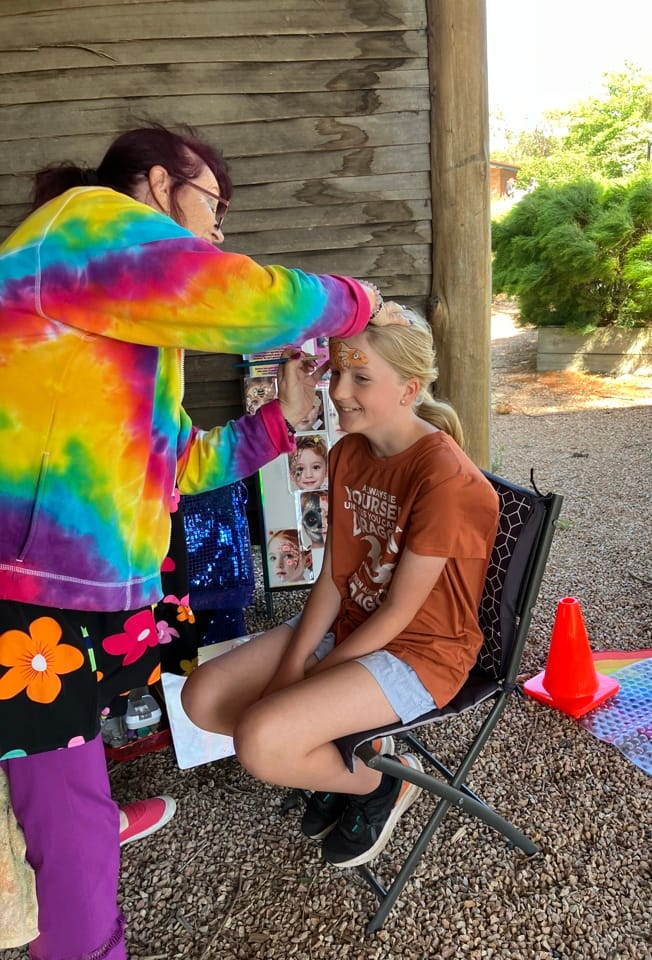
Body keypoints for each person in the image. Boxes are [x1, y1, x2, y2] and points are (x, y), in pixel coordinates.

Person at [0, 121, 405, 960]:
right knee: (60, 809)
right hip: (26, 591)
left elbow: (177, 463)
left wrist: (281, 421)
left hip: (67, 582)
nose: (219, 231)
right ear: (159, 183)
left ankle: (85, 820)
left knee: (63, 767)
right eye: (213, 205)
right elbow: (240, 298)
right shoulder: (87, 225)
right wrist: (361, 302)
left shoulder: (118, 307)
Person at [182, 312, 500, 870]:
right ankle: (339, 760)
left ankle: (382, 783)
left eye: (361, 378)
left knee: (260, 742)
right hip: (351, 623)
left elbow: (399, 612)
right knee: (202, 698)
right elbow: (334, 574)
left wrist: (310, 677)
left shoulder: (443, 479)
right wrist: (294, 662)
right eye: (337, 374)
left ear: (409, 389)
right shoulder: (349, 452)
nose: (339, 392)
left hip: (419, 652)